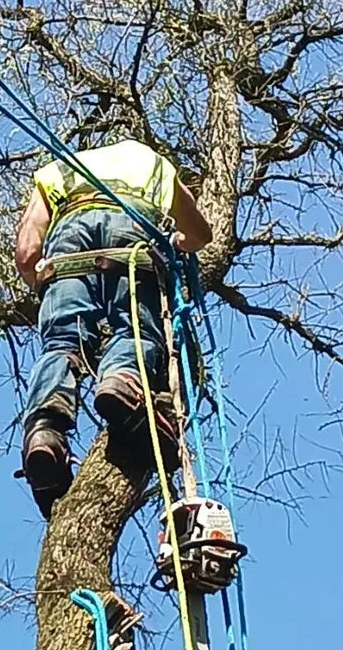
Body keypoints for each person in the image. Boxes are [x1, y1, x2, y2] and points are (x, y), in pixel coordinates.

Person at [15, 138, 212, 518]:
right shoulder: (152, 163)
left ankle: (45, 431)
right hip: (132, 230)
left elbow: (26, 250)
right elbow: (200, 236)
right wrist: (174, 241)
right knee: (136, 328)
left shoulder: (61, 169)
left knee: (61, 343)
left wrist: (41, 279)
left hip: (67, 242)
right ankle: (123, 381)